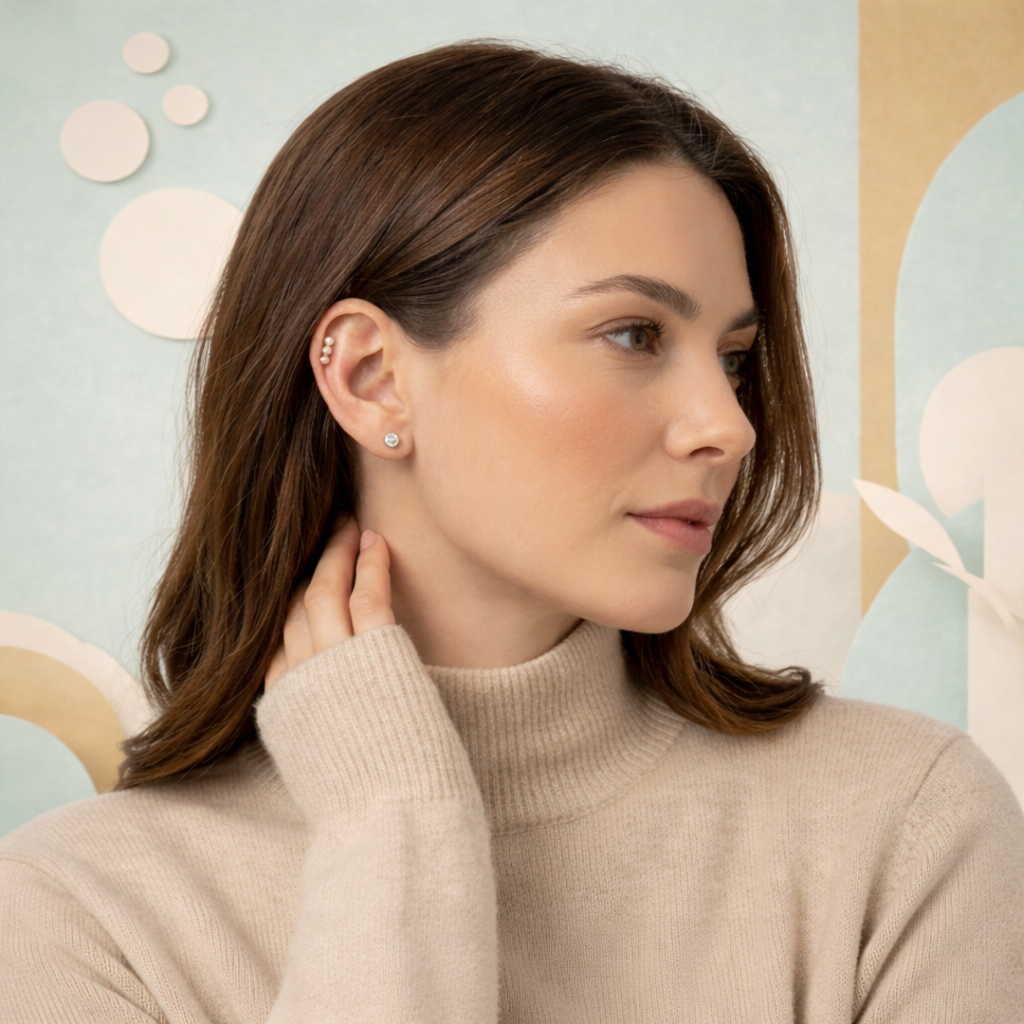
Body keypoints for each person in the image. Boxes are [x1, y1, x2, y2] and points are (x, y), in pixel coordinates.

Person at [1, 39, 1021, 1023]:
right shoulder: (84, 917)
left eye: (735, 357)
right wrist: (391, 826)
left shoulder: (903, 824)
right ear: (370, 376)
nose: (729, 425)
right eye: (634, 334)